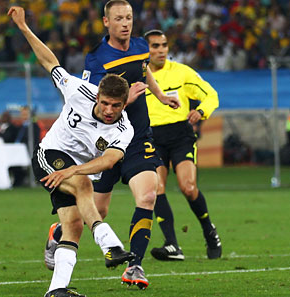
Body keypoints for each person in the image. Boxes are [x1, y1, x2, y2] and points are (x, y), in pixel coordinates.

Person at [43, 0, 180, 290]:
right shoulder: (96, 59)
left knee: (147, 196)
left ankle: (135, 265)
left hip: (138, 138)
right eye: (119, 18)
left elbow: (145, 72)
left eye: (129, 17)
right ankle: (58, 233)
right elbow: (94, 97)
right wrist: (125, 101)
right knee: (97, 212)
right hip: (106, 142)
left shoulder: (142, 45)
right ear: (107, 22)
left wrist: (161, 95)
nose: (125, 23)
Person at [8, 6, 139, 297]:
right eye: (104, 103)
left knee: (73, 225)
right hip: (48, 154)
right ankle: (111, 246)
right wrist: (24, 27)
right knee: (82, 186)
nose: (108, 111)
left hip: (71, 168)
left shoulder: (123, 129)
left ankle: (57, 290)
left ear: (123, 104)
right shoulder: (78, 90)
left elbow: (109, 160)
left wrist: (73, 169)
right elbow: (49, 62)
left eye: (116, 106)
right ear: (98, 95)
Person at [143, 29, 222, 261]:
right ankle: (172, 245)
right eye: (155, 46)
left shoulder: (182, 72)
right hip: (151, 137)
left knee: (188, 187)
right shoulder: (138, 76)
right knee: (156, 189)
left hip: (180, 135)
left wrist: (200, 111)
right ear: (145, 50)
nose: (161, 50)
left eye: (164, 45)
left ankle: (209, 230)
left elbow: (211, 95)